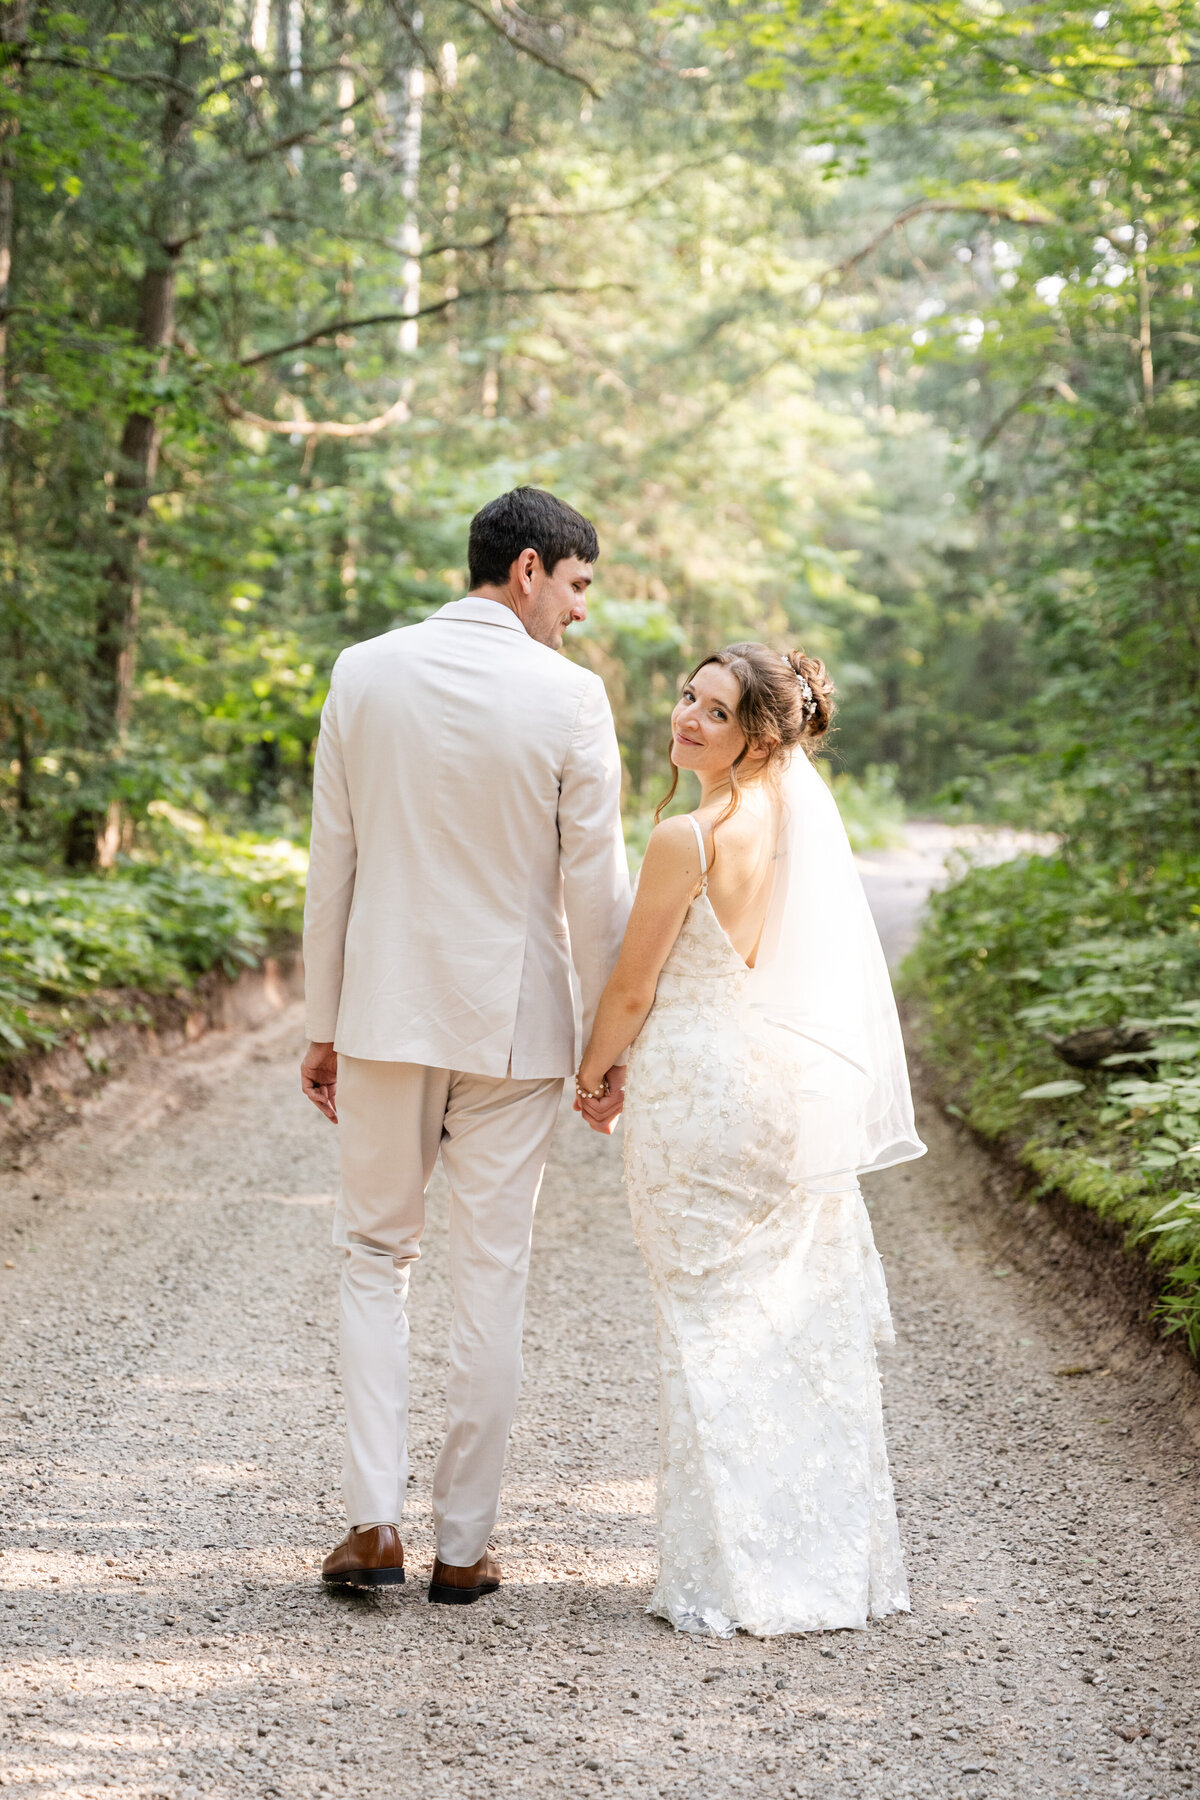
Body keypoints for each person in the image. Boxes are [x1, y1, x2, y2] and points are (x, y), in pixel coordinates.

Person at [301, 487, 631, 1601]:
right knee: (492, 1274)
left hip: (385, 1016)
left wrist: (321, 1022)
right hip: (517, 1027)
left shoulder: (364, 670)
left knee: (372, 1258)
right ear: (530, 569)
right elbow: (597, 891)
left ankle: (372, 1524)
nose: (582, 611)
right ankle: (463, 1548)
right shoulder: (572, 701)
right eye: (579, 585)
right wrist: (606, 1044)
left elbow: (331, 865)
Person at [575, 643, 926, 1636]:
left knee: (702, 1331)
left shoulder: (691, 836)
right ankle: (819, 1562)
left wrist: (595, 1069)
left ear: (759, 733)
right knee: (790, 1327)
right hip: (785, 1092)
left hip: (697, 1097)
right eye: (687, 696)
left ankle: (720, 1575)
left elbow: (635, 986)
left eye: (714, 712)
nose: (685, 717)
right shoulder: (803, 828)